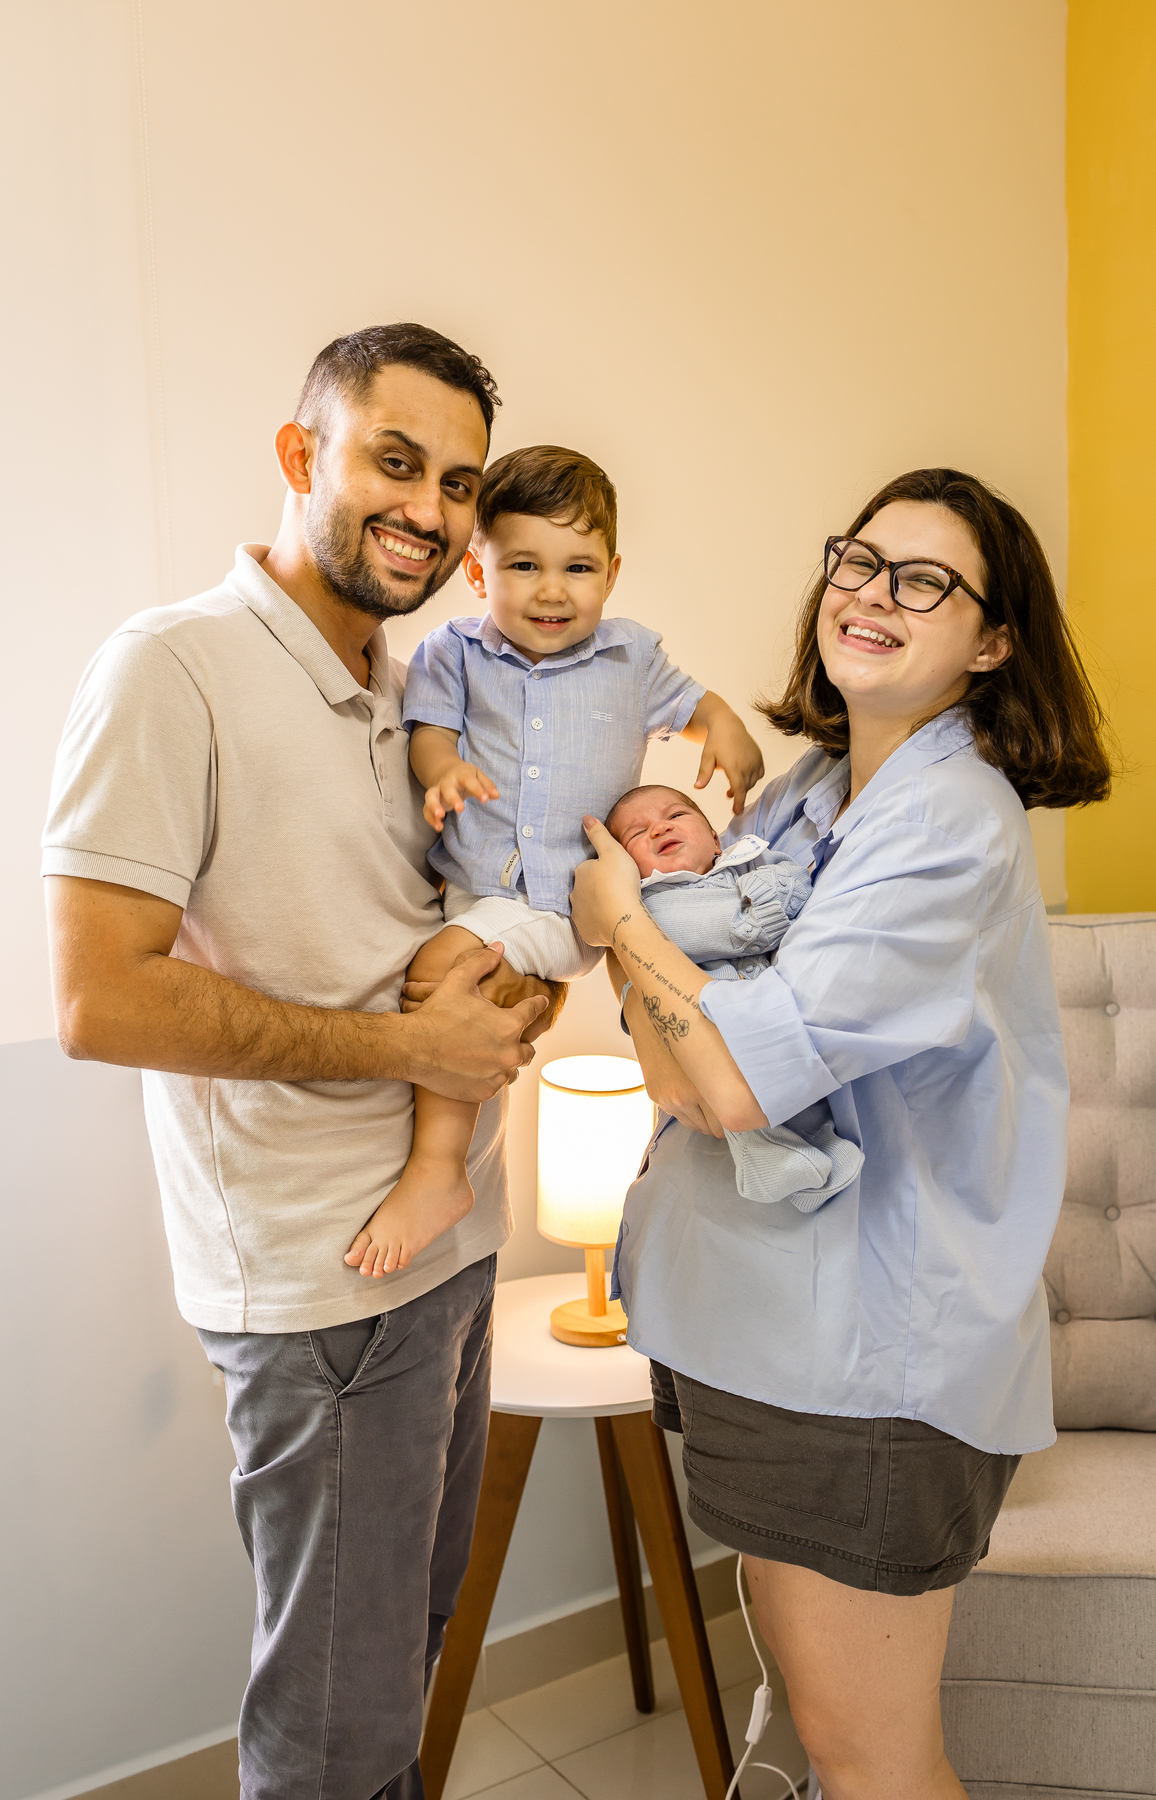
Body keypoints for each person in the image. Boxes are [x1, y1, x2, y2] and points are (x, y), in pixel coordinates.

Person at [41, 323, 559, 1800]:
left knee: (403, 1669)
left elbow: (444, 924)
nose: (429, 509)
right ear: (299, 454)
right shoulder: (172, 668)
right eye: (394, 462)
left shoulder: (428, 688)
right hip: (325, 1286)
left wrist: (516, 999)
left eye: (456, 483)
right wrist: (408, 1043)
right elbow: (98, 999)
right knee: (334, 1733)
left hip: (455, 1245)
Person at [569, 468, 1111, 1800]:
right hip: (760, 1328)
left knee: (872, 1763)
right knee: (826, 1743)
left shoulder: (947, 824)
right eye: (859, 561)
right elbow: (676, 1063)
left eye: (925, 581)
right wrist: (676, 1002)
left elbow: (726, 1085)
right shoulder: (813, 787)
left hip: (863, 1363)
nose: (872, 594)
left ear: (993, 642)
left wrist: (621, 921)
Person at [344, 446, 764, 1278]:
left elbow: (695, 704)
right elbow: (430, 735)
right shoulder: (452, 651)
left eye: (578, 568)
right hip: (479, 886)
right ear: (477, 570)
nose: (552, 591)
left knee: (443, 974)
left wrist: (727, 729)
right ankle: (457, 1152)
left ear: (611, 573)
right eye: (524, 565)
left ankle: (437, 1170)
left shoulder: (630, 657)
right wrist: (443, 773)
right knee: (479, 994)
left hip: (571, 900)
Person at [605, 783, 862, 1205]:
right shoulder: (650, 906)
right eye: (636, 833)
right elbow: (734, 927)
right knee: (731, 1088)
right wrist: (755, 908)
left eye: (676, 815)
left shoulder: (748, 858)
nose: (659, 829)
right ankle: (769, 1156)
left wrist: (762, 897)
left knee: (801, 1096)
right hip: (711, 1025)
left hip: (773, 1012)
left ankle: (810, 1150)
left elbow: (793, 881)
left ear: (715, 839)